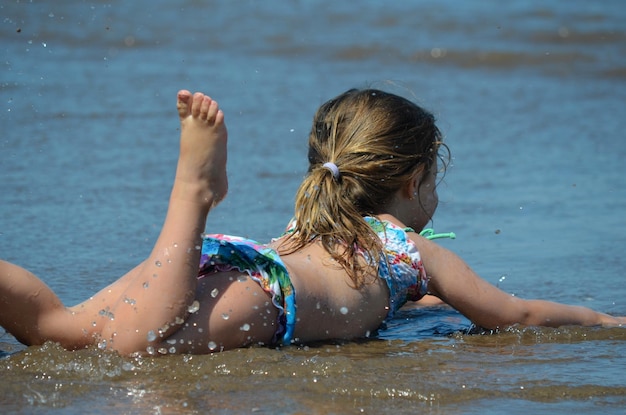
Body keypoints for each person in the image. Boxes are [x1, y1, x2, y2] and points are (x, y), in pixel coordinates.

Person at [1, 89, 624, 356]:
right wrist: (602, 319)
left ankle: (195, 211)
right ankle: (194, 190)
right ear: (412, 182)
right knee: (133, 347)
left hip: (236, 261)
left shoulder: (322, 230)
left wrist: (426, 302)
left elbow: (384, 298)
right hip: (261, 297)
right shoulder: (407, 247)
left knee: (57, 327)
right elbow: (513, 315)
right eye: (435, 177)